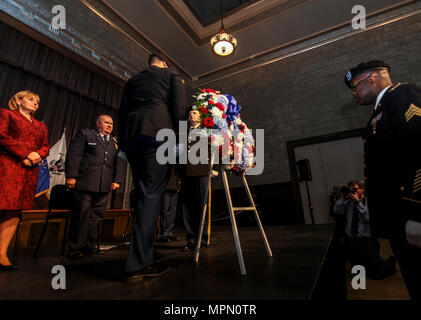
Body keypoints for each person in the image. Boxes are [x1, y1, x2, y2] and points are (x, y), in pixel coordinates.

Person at [345, 60, 421, 298]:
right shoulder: (379, 113)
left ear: (372, 79)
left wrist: (417, 213)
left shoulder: (402, 95)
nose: (354, 94)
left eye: (355, 86)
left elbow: (418, 148)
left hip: (410, 211)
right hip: (397, 217)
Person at [118, 54, 188, 281]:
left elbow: (122, 112)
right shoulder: (171, 75)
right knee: (151, 197)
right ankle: (138, 264)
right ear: (166, 62)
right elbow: (179, 109)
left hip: (132, 137)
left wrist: (122, 143)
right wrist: (182, 142)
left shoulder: (133, 81)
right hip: (159, 135)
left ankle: (144, 252)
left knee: (143, 196)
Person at [0, 91, 49, 270]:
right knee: (2, 204)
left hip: (29, 170)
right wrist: (25, 153)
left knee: (15, 210)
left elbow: (45, 146)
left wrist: (36, 155)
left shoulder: (40, 126)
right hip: (8, 166)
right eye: (31, 99)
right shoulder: (7, 114)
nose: (35, 103)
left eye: (37, 101)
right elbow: (2, 136)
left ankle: (1, 254)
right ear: (18, 100)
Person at [65, 115, 125, 258]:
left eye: (111, 123)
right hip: (85, 182)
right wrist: (71, 175)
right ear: (98, 124)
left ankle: (88, 247)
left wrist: (117, 180)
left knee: (95, 217)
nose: (110, 125)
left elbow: (120, 161)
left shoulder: (115, 142)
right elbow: (74, 155)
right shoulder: (86, 135)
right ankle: (75, 249)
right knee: (81, 215)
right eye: (106, 123)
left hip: (104, 185)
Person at [334, 180, 396, 279]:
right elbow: (337, 211)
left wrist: (358, 202)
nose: (353, 192)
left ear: (362, 190)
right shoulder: (348, 202)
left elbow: (367, 218)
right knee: (358, 270)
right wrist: (344, 199)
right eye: (351, 190)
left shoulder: (368, 202)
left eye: (355, 189)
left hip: (367, 241)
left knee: (376, 273)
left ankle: (391, 263)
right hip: (352, 240)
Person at [180, 109, 219, 251]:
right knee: (187, 208)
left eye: (195, 112)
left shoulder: (207, 130)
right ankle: (191, 240)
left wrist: (215, 168)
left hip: (203, 171)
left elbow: (216, 149)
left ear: (201, 116)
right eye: (189, 113)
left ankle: (203, 238)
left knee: (202, 206)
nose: (191, 114)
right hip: (186, 173)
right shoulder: (183, 131)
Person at [156, 167, 181, 242]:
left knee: (172, 212)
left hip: (174, 187)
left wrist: (178, 185)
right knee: (165, 211)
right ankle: (164, 234)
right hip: (165, 188)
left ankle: (169, 233)